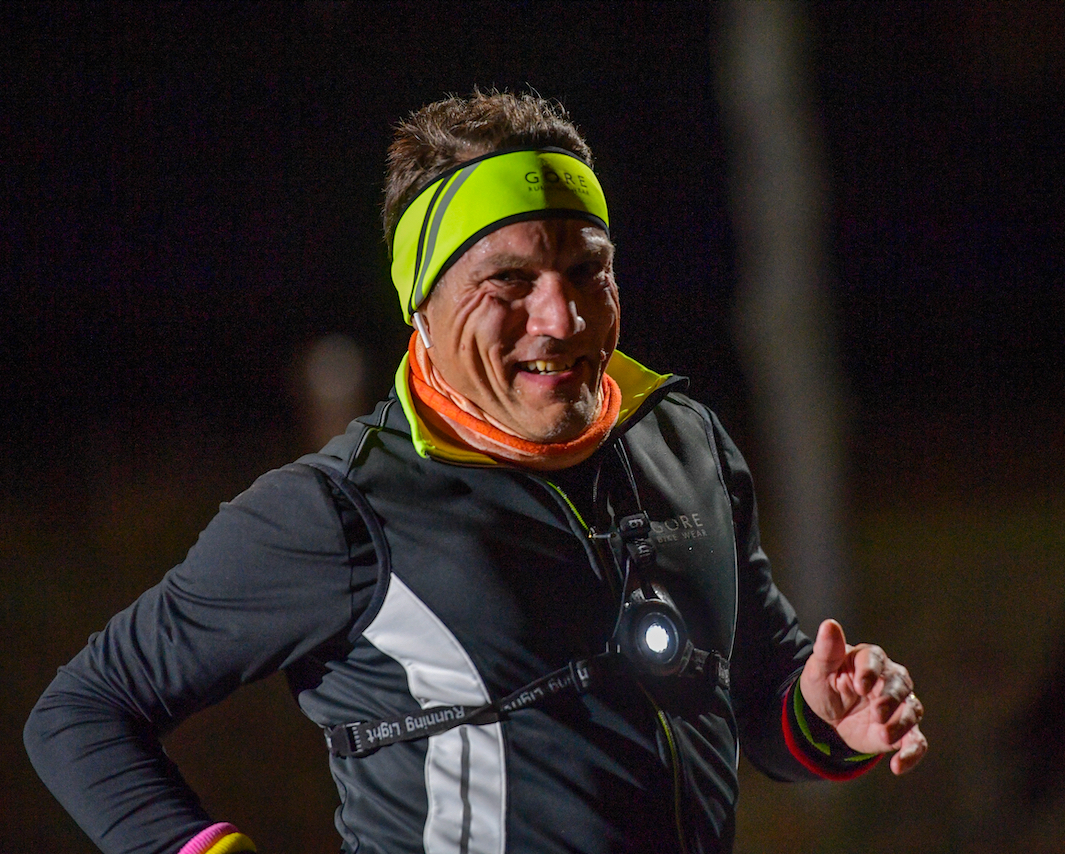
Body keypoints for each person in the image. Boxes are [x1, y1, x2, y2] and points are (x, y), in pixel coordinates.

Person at [25, 91, 926, 854]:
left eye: (588, 270)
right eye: (510, 281)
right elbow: (81, 714)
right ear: (422, 299)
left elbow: (758, 696)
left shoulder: (683, 442)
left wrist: (826, 714)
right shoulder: (338, 513)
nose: (561, 316)